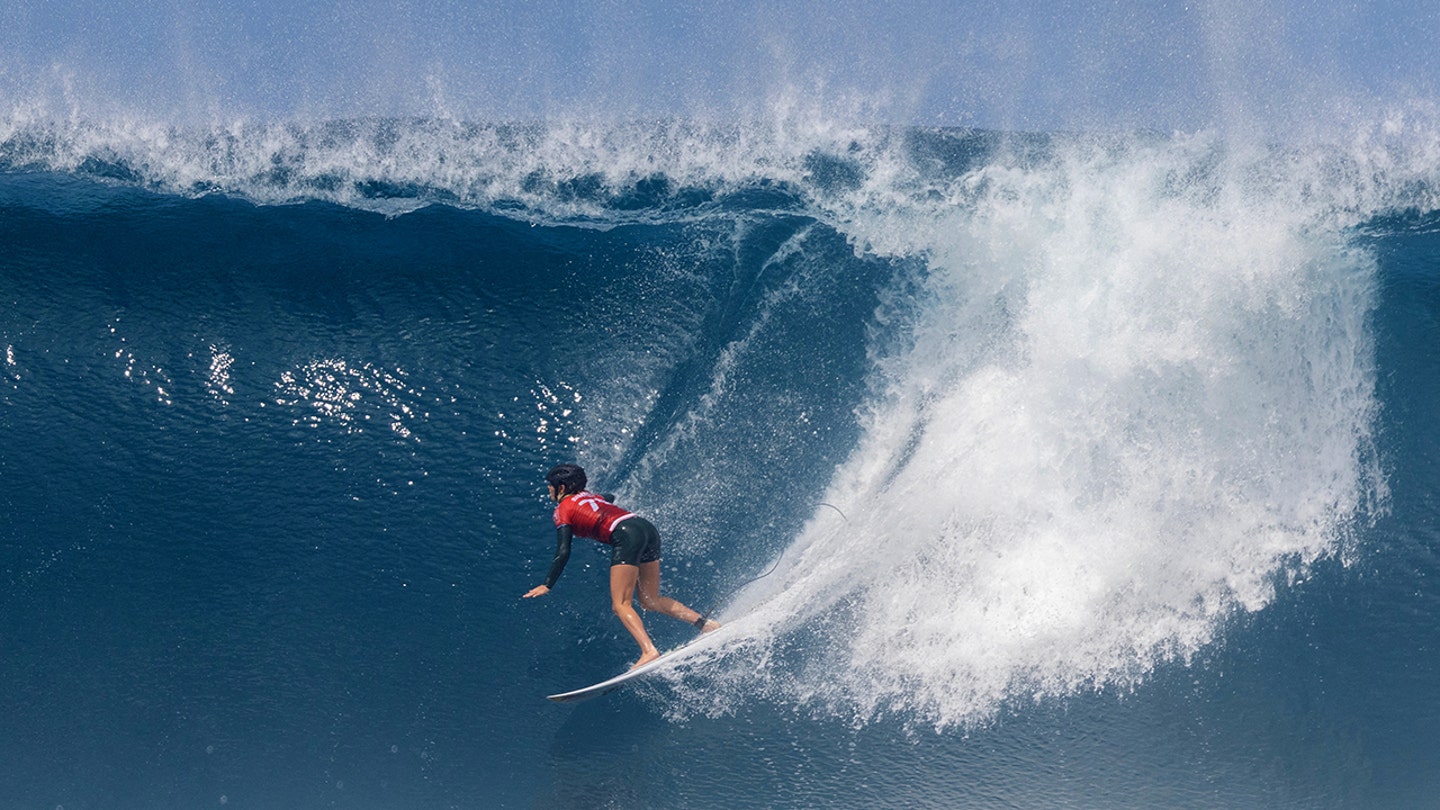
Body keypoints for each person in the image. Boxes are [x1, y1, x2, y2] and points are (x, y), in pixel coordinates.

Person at [523, 463, 720, 668]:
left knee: (620, 605)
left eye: (551, 485)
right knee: (650, 600)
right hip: (646, 528)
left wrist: (547, 584)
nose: (548, 489)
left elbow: (563, 551)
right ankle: (706, 624)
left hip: (625, 534)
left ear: (562, 488)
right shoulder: (591, 497)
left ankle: (648, 651)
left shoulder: (562, 508)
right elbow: (609, 498)